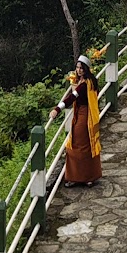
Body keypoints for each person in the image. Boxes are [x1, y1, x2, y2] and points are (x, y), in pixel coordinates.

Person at [48, 53, 102, 185]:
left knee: (76, 146)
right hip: (87, 115)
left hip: (83, 116)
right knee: (87, 145)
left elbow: (72, 97)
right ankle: (89, 176)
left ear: (86, 69)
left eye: (81, 68)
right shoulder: (91, 82)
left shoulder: (84, 85)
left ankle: (77, 177)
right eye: (77, 68)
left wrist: (57, 109)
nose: (79, 70)